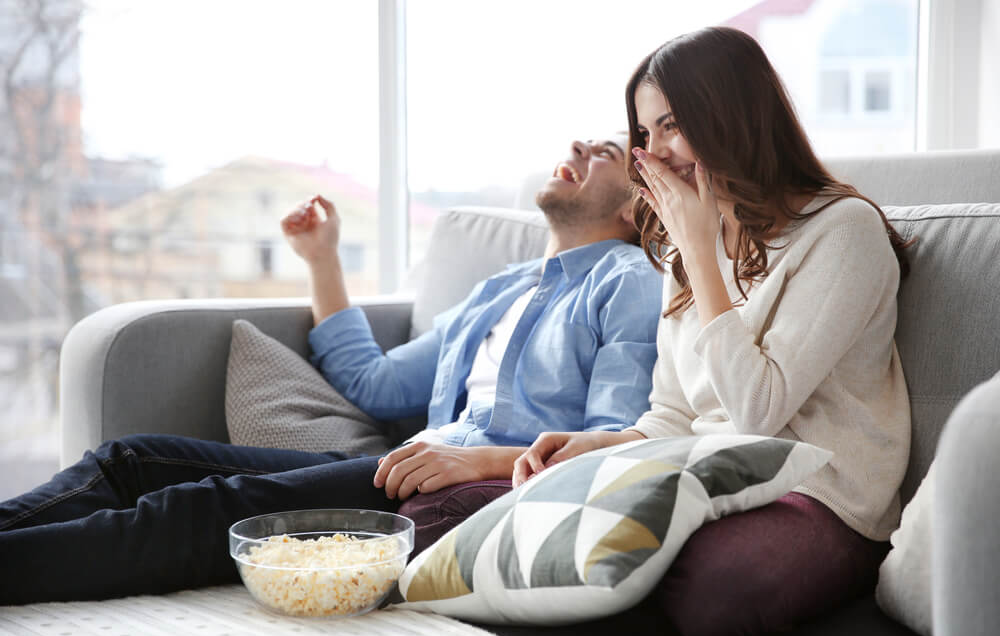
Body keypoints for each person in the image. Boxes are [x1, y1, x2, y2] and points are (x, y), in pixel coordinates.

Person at [0, 132, 662, 605]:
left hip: (452, 494)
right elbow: (374, 384)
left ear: (636, 210)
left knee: (203, 509)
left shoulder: (628, 282)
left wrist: (479, 462)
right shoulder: (500, 289)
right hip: (415, 464)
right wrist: (322, 260)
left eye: (603, 153)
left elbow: (611, 446)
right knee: (132, 459)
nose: (577, 147)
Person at [510, 27, 912, 636]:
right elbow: (674, 415)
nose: (653, 152)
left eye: (670, 126)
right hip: (709, 475)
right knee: (479, 507)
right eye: (644, 134)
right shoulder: (685, 246)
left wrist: (699, 250)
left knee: (715, 590)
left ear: (733, 117)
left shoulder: (842, 232)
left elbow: (757, 415)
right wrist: (595, 446)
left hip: (822, 495)